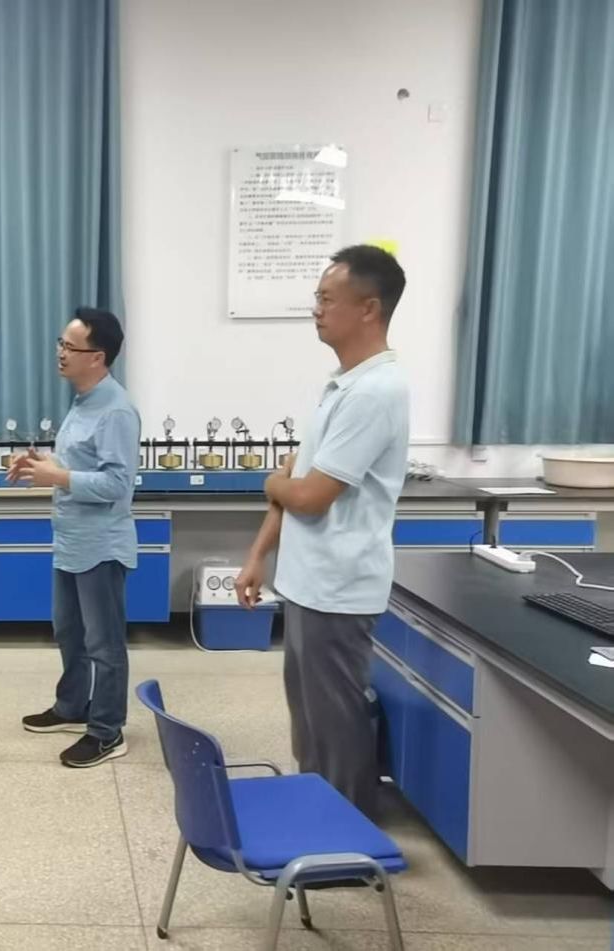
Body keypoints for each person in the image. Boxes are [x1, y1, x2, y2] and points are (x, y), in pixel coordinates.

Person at [236, 244, 410, 814]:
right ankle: (318, 815)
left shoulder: (377, 391)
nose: (316, 309)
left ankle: (347, 835)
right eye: (317, 297)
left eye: (327, 299)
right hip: (309, 583)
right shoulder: (341, 385)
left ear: (369, 308)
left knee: (336, 724)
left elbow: (307, 495)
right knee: (310, 719)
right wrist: (258, 555)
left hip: (338, 589)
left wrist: (271, 482)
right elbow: (295, 481)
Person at [12, 308, 141, 768]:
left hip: (101, 546)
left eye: (70, 346)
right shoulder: (83, 402)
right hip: (71, 541)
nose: (61, 353)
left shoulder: (116, 410)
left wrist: (58, 476)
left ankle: (107, 731)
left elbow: (117, 484)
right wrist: (42, 465)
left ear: (97, 356)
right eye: (60, 344)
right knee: (68, 631)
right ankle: (71, 707)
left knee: (105, 644)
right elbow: (80, 466)